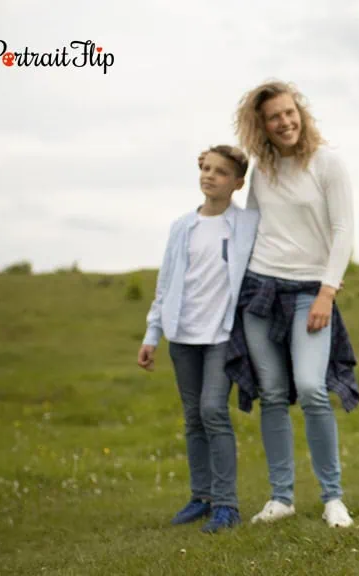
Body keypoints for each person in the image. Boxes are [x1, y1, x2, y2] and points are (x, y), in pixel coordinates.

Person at [225, 80, 359, 529]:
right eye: (272, 117)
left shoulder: (327, 163)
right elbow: (251, 227)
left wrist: (327, 291)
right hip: (260, 289)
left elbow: (343, 231)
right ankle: (281, 497)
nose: (283, 122)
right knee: (273, 394)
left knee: (311, 388)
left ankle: (333, 498)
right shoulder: (261, 169)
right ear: (260, 125)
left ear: (300, 113)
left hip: (310, 292)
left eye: (289, 112)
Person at [138, 144, 259, 534]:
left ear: (238, 183)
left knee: (212, 410)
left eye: (220, 172)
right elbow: (166, 283)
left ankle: (227, 505)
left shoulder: (247, 224)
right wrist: (152, 334)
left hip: (222, 334)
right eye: (205, 168)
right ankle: (200, 497)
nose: (209, 176)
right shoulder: (181, 227)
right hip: (182, 335)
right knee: (193, 417)